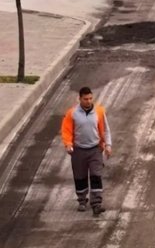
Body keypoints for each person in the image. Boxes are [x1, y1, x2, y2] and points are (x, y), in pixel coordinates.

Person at [60, 86, 112, 215]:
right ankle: (82, 200)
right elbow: (66, 131)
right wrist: (68, 144)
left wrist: (108, 145)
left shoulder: (99, 112)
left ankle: (96, 203)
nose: (88, 101)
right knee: (80, 176)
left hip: (95, 149)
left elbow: (105, 130)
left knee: (96, 175)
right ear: (80, 99)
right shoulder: (72, 113)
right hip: (78, 150)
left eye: (90, 98)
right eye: (85, 99)